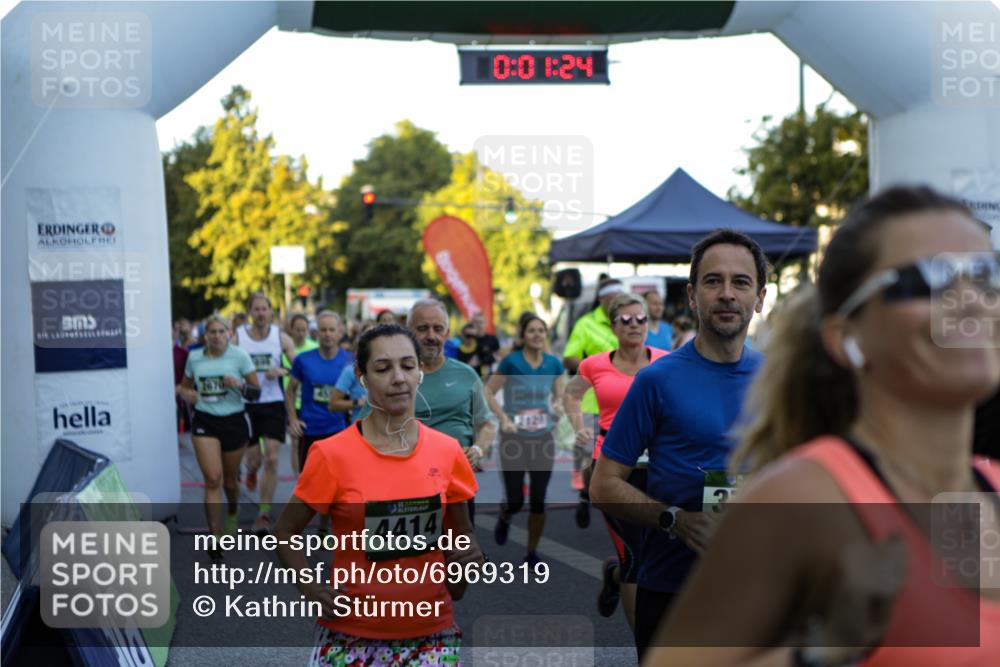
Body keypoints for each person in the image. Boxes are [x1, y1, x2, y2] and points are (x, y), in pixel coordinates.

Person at [645, 186, 1000, 666]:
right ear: (845, 335)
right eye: (927, 280)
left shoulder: (992, 484)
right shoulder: (803, 499)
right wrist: (821, 652)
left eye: (985, 276)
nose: (971, 302)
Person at [590, 229, 767, 661]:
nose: (727, 294)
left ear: (760, 297)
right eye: (713, 281)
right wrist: (675, 520)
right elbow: (604, 485)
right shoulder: (657, 380)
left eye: (740, 283)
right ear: (692, 296)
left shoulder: (778, 378)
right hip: (673, 589)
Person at [273, 324, 485, 665]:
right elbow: (284, 532)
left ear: (419, 374)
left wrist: (467, 563)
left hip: (431, 636)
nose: (398, 378)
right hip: (350, 636)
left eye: (408, 365)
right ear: (362, 378)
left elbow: (461, 552)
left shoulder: (448, 452)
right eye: (383, 368)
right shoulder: (332, 455)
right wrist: (311, 589)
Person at [564, 293, 668, 627]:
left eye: (641, 319)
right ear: (613, 326)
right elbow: (572, 395)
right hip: (611, 466)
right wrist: (580, 429)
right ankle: (643, 645)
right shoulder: (594, 364)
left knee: (659, 551)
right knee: (634, 555)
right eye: (626, 320)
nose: (635, 325)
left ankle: (614, 575)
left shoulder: (667, 362)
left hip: (658, 467)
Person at [176, 315, 259, 558]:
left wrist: (239, 385)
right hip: (205, 421)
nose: (216, 336)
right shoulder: (195, 357)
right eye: (211, 332)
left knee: (230, 482)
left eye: (221, 331)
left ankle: (233, 511)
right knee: (213, 479)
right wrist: (187, 394)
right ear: (205, 335)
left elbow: (255, 392)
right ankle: (215, 538)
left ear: (229, 333)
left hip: (234, 421)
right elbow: (184, 386)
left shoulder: (239, 356)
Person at [485, 314, 565, 565]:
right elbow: (488, 392)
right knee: (516, 499)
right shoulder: (511, 362)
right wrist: (503, 419)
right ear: (523, 335)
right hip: (513, 439)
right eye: (532, 331)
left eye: (541, 330)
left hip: (542, 438)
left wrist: (558, 406)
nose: (537, 335)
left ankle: (531, 552)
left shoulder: (553, 364)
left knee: (539, 499)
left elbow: (559, 395)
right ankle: (506, 514)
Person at [563, 277, 626, 527]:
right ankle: (586, 495)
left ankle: (617, 503)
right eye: (613, 298)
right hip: (592, 402)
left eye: (620, 297)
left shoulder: (627, 321)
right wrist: (594, 366)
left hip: (622, 403)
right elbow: (569, 357)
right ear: (602, 300)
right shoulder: (586, 324)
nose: (618, 302)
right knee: (591, 458)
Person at [235, 292, 298, 535]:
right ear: (250, 311)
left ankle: (263, 514)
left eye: (265, 309)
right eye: (257, 309)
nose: (261, 313)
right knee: (254, 459)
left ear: (271, 312)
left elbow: (298, 367)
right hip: (247, 403)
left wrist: (281, 371)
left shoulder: (280, 338)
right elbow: (228, 363)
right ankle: (251, 470)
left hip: (273, 403)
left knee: (272, 457)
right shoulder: (239, 337)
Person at [286, 311, 351, 470]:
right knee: (309, 483)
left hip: (339, 429)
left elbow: (360, 392)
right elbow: (290, 391)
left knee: (338, 481)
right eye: (323, 330)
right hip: (310, 430)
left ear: (339, 332)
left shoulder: (349, 360)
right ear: (316, 332)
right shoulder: (303, 360)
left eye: (331, 330)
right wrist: (293, 419)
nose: (327, 334)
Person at [285, 312, 320, 473]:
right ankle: (298, 478)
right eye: (297, 329)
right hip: (289, 398)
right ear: (291, 329)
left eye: (303, 329)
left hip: (308, 400)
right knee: (295, 441)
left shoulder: (314, 347)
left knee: (309, 443)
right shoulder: (284, 347)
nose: (300, 333)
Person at [330, 321, 377, 424]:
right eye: (369, 336)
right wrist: (358, 402)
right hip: (360, 430)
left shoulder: (390, 369)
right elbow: (333, 404)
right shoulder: (351, 370)